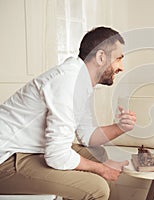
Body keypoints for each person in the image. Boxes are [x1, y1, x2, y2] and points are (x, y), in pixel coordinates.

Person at [0, 26, 136, 200]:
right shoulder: (68, 83)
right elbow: (57, 156)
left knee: (97, 154)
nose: (121, 67)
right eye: (118, 59)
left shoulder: (80, 80)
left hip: (29, 150)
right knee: (97, 188)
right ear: (101, 57)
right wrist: (102, 169)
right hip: (6, 159)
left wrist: (120, 127)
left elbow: (87, 137)